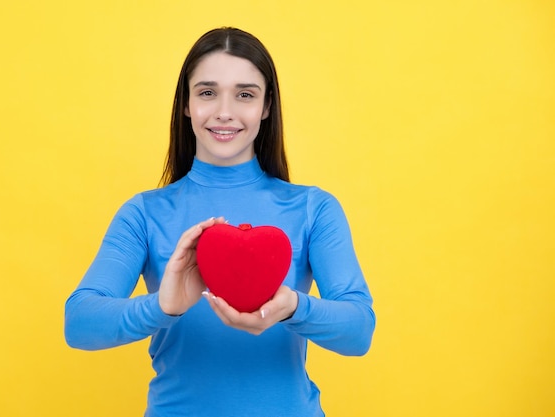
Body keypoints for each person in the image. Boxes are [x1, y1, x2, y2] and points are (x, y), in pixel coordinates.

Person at [65, 27, 375, 417]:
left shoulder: (314, 208)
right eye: (207, 92)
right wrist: (162, 306)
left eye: (245, 94)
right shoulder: (144, 213)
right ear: (186, 104)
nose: (224, 111)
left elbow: (360, 330)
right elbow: (78, 324)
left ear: (266, 106)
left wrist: (294, 307)